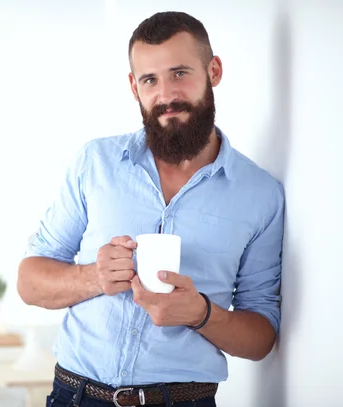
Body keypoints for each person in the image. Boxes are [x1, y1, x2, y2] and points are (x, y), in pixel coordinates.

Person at [17, 10, 285, 407]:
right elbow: (29, 281)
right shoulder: (95, 163)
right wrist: (94, 276)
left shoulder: (260, 194)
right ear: (133, 86)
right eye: (150, 80)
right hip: (74, 395)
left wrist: (201, 314)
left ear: (214, 70)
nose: (166, 95)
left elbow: (262, 336)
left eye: (180, 73)